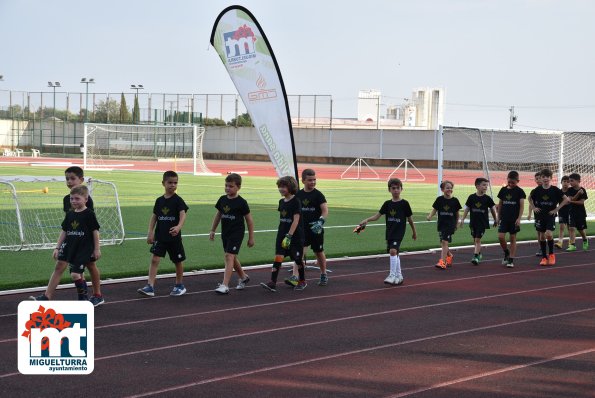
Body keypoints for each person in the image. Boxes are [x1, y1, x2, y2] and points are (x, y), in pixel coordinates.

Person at [31, 185, 101, 302]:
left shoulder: (89, 214)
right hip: (69, 246)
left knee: (75, 274)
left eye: (77, 198)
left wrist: (97, 249)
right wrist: (57, 247)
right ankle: (46, 296)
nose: (74, 201)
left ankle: (83, 300)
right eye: (71, 198)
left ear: (86, 199)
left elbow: (95, 231)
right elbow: (64, 231)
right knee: (59, 266)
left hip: (83, 248)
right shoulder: (70, 214)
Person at [355, 178, 417, 284]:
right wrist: (367, 220)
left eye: (398, 188)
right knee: (394, 252)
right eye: (393, 188)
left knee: (393, 251)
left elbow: (410, 219)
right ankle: (399, 276)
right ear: (389, 190)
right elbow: (377, 216)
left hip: (399, 232)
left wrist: (414, 232)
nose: (396, 190)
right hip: (389, 232)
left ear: (402, 189)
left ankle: (392, 275)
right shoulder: (387, 204)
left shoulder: (404, 204)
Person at [138, 171, 188, 297]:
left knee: (177, 261)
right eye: (170, 182)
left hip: (173, 237)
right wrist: (150, 232)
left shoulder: (178, 200)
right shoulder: (159, 201)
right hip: (160, 236)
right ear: (163, 183)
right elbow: (154, 217)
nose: (173, 185)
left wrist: (178, 226)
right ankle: (150, 286)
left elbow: (183, 214)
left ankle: (179, 285)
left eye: (175, 183)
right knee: (155, 259)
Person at [62, 166, 104, 306]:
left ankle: (97, 294)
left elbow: (91, 225)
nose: (69, 181)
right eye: (67, 178)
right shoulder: (67, 199)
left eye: (72, 178)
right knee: (79, 270)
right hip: (74, 240)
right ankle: (85, 295)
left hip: (86, 241)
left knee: (90, 265)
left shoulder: (87, 201)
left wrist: (95, 247)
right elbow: (68, 222)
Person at [209, 173, 254, 294]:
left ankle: (225, 285)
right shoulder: (222, 199)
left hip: (237, 233)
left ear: (238, 187)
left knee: (229, 256)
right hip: (225, 233)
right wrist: (213, 230)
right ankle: (244, 277)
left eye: (231, 186)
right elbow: (218, 215)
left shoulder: (241, 202)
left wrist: (251, 237)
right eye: (226, 185)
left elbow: (249, 220)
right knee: (232, 257)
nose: (228, 188)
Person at [260, 176, 306, 292]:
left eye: (283, 187)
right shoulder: (281, 202)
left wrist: (289, 235)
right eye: (279, 187)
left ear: (290, 187)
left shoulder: (296, 201)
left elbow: (296, 220)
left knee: (297, 259)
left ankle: (302, 281)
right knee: (278, 257)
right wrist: (283, 235)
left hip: (294, 236)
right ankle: (272, 282)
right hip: (281, 234)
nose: (281, 189)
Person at [293, 168, 329, 287]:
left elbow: (325, 211)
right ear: (303, 181)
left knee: (318, 252)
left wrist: (320, 222)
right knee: (300, 253)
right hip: (302, 230)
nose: (313, 182)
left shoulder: (318, 195)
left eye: (314, 180)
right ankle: (295, 276)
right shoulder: (298, 195)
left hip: (315, 229)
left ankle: (323, 274)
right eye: (310, 180)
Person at [528, 168, 569, 266]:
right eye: (543, 177)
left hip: (550, 215)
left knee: (549, 234)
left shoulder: (555, 190)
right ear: (541, 178)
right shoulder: (537, 190)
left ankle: (551, 254)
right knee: (542, 236)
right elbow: (529, 198)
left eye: (547, 177)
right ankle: (544, 258)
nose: (545, 179)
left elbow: (566, 199)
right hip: (540, 216)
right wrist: (534, 207)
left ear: (551, 178)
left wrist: (556, 209)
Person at [459, 177, 498, 265]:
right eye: (484, 185)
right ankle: (479, 253)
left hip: (482, 223)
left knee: (477, 239)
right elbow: (467, 209)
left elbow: (492, 209)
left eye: (486, 185)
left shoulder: (487, 198)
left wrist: (495, 219)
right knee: (474, 239)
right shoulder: (471, 197)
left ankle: (476, 256)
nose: (485, 187)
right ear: (477, 186)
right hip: (473, 222)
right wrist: (462, 219)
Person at [427, 180, 461, 269]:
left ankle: (443, 262)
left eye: (450, 188)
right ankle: (449, 255)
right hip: (441, 224)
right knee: (442, 242)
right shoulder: (439, 200)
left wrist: (457, 224)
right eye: (447, 188)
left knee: (444, 242)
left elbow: (457, 214)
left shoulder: (455, 201)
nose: (449, 189)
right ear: (442, 189)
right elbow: (435, 209)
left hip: (450, 225)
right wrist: (430, 216)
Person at [496, 171, 526, 268]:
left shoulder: (520, 191)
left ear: (518, 181)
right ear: (507, 179)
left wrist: (519, 218)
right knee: (500, 236)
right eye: (509, 182)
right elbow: (500, 204)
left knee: (512, 238)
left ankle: (511, 260)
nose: (510, 184)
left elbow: (522, 206)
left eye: (513, 182)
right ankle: (506, 252)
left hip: (514, 219)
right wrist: (498, 216)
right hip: (504, 218)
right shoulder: (503, 190)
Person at [566, 173, 589, 251]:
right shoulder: (569, 190)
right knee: (571, 228)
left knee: (580, 229)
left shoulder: (583, 190)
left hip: (580, 212)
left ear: (578, 181)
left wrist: (571, 201)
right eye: (569, 181)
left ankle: (585, 240)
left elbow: (581, 202)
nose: (570, 183)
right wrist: (578, 194)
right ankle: (572, 245)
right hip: (571, 212)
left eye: (572, 181)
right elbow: (571, 199)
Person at [528, 171, 543, 257]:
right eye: (536, 179)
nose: (538, 180)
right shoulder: (534, 191)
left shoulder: (549, 189)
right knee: (539, 232)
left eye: (539, 178)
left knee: (546, 233)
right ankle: (541, 248)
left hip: (547, 215)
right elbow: (530, 200)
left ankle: (546, 247)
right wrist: (531, 212)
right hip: (538, 215)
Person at [555, 175, 571, 249]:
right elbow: (556, 201)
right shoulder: (559, 192)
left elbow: (568, 202)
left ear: (569, 183)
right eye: (564, 181)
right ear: (561, 182)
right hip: (561, 211)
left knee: (569, 227)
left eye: (568, 182)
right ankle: (560, 242)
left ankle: (571, 241)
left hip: (570, 211)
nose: (566, 183)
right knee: (561, 227)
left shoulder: (571, 191)